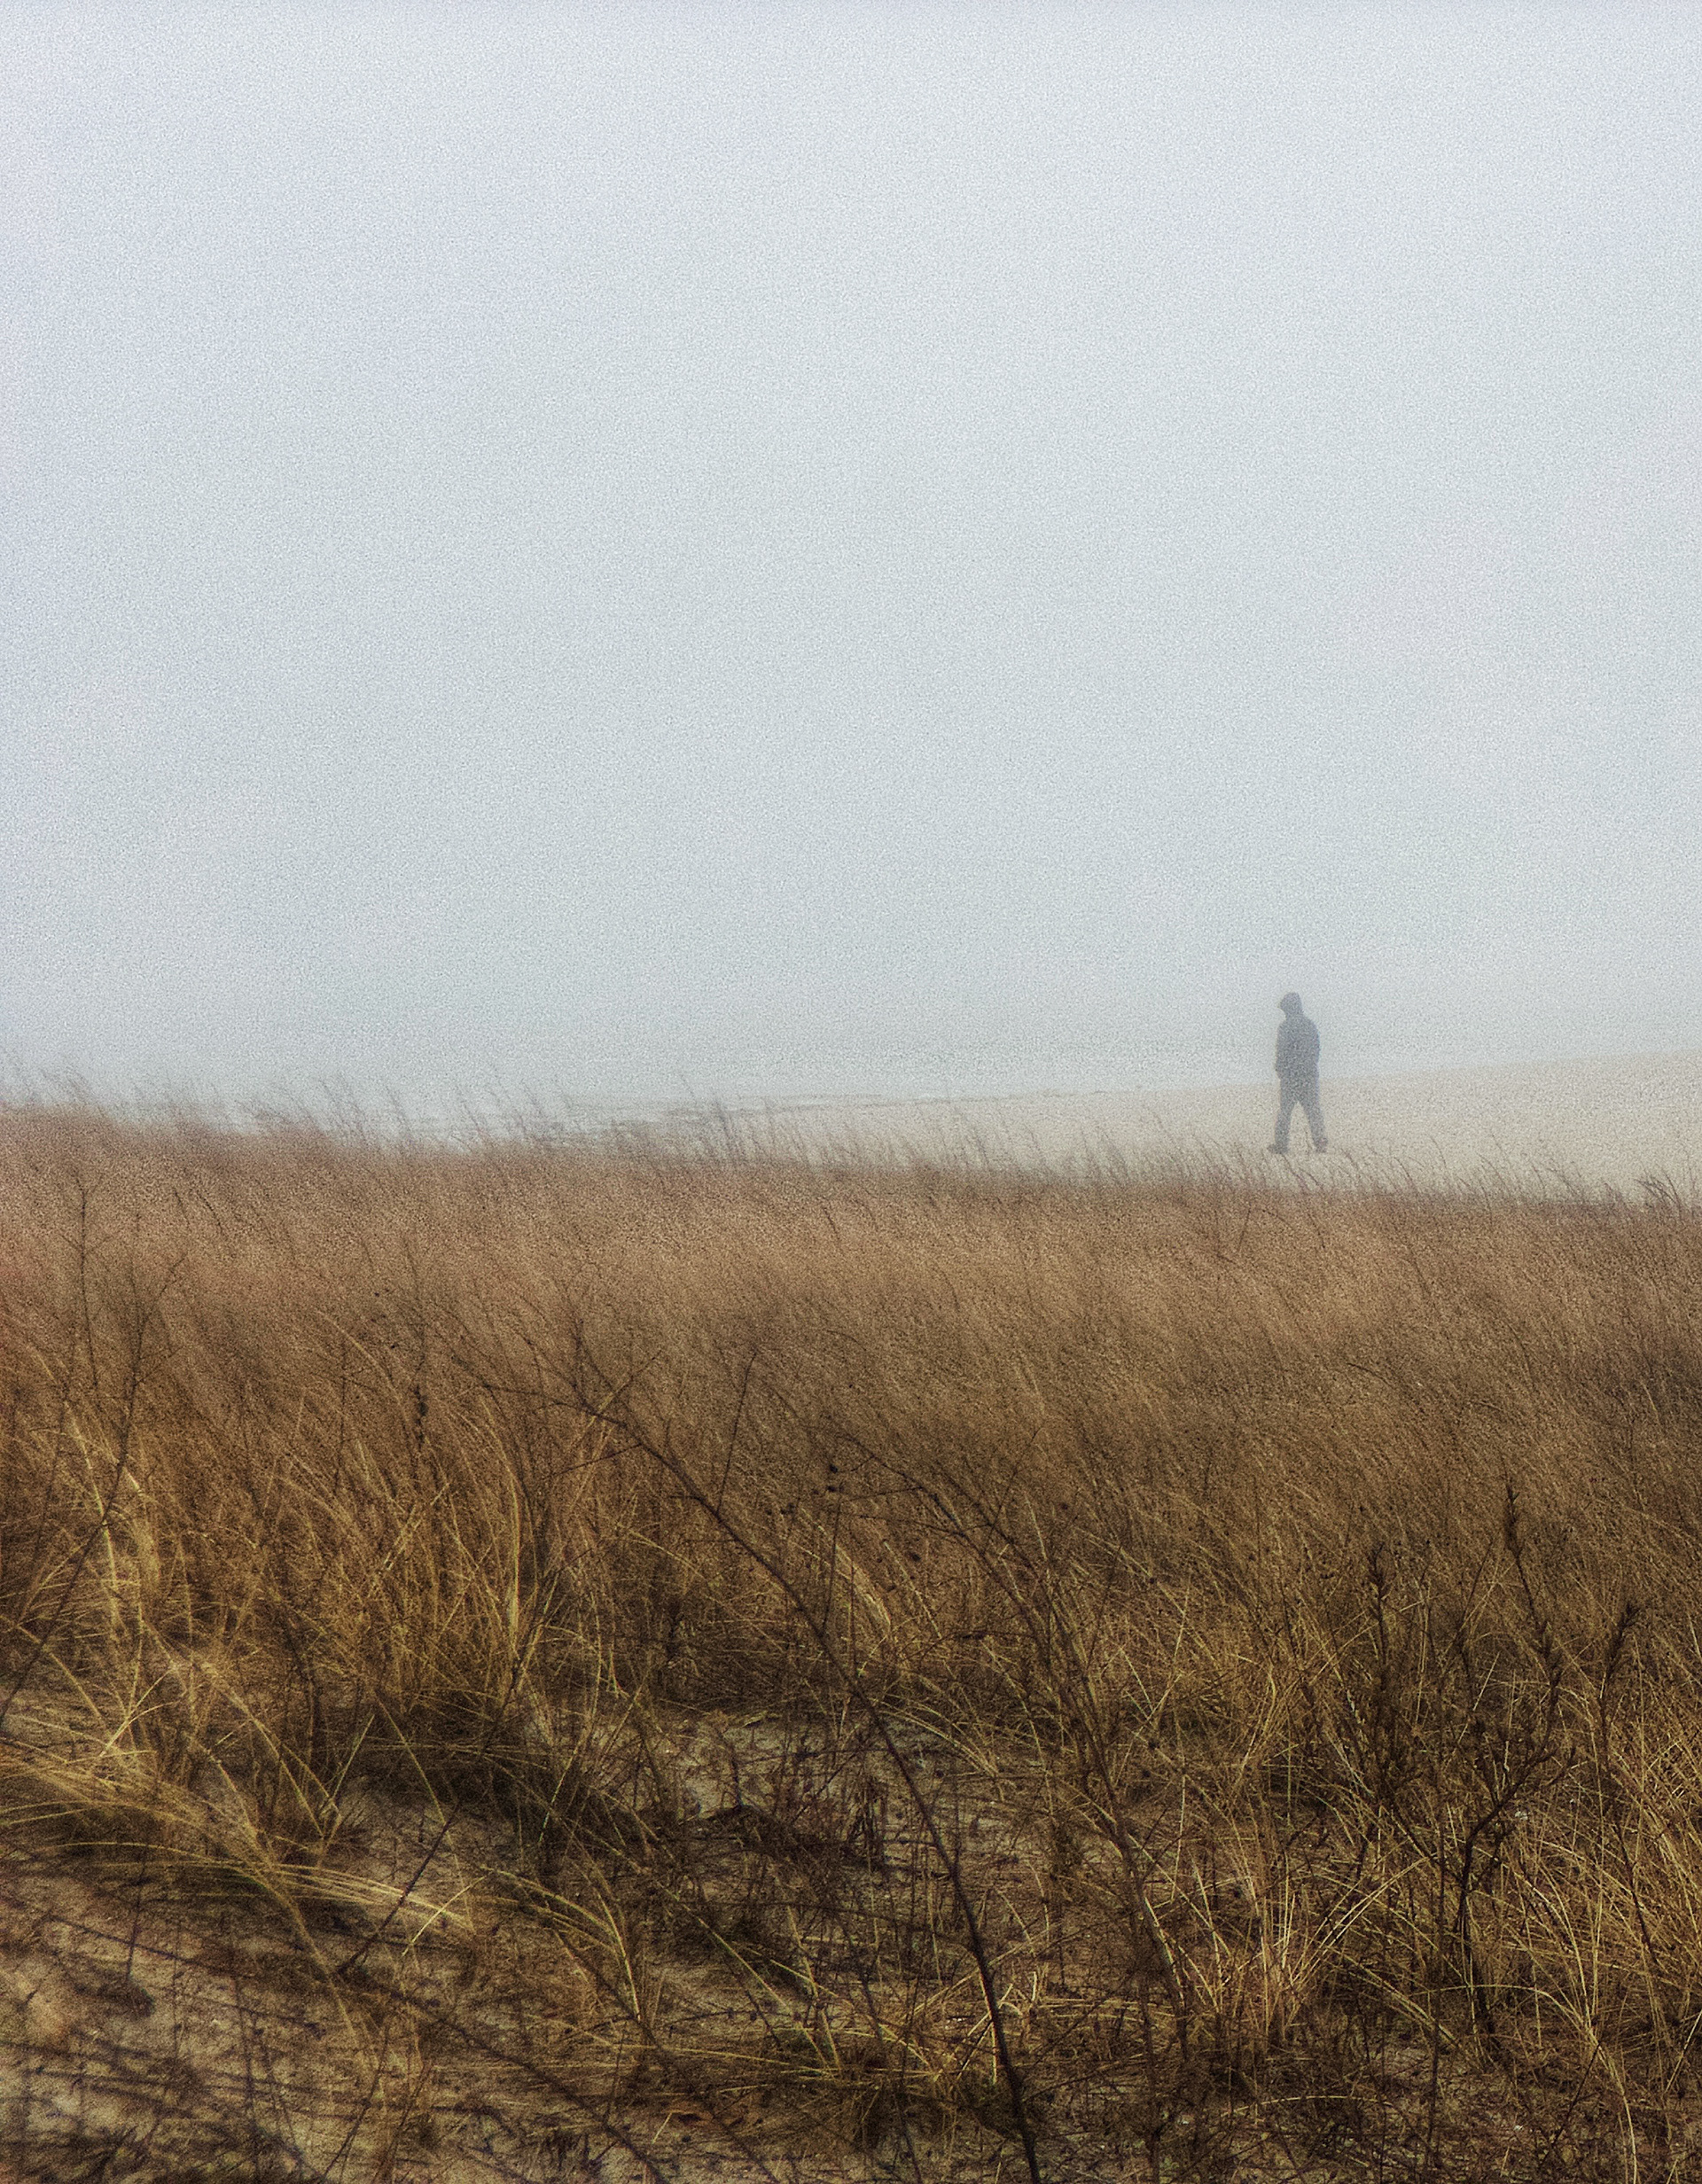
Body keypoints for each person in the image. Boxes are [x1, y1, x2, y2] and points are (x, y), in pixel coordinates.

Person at [1269, 993, 1327, 1155]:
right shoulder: (1310, 1025)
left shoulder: (1285, 1027)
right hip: (1309, 1075)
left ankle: (1281, 1145)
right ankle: (1320, 1141)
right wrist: (1309, 1067)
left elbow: (1281, 1052)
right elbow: (1316, 1050)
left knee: (1285, 1112)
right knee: (1313, 1110)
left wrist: (1281, 1070)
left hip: (1291, 1077)